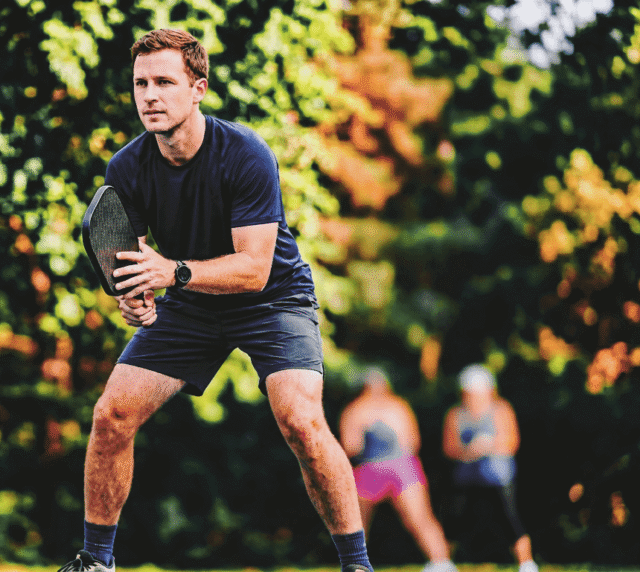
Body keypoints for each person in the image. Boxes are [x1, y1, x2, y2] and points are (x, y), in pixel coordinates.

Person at [57, 29, 373, 572]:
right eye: (140, 84)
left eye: (164, 82)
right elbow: (136, 268)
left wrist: (171, 272)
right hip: (190, 304)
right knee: (111, 414)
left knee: (300, 420)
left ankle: (357, 565)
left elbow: (253, 269)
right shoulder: (126, 168)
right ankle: (96, 562)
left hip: (273, 299)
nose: (149, 96)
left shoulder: (245, 154)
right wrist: (135, 300)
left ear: (198, 88)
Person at [339, 367, 457, 572]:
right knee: (417, 518)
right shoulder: (397, 407)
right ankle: (442, 562)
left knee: (359, 523)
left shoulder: (357, 410)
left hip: (379, 468)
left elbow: (351, 447)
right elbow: (413, 441)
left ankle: (355, 565)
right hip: (395, 467)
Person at [442, 364, 537, 572]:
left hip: (499, 477)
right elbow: (449, 448)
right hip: (466, 478)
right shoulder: (455, 414)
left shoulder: (501, 409)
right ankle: (442, 563)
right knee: (454, 521)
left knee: (510, 519)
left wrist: (489, 445)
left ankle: (527, 564)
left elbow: (512, 442)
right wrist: (469, 451)